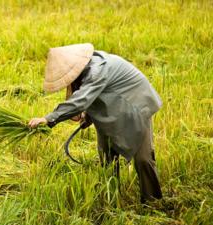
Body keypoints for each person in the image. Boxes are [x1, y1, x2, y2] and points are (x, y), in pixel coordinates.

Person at [28, 43, 163, 203]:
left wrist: (48, 118)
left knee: (143, 158)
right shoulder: (86, 71)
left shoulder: (97, 69)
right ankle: (111, 196)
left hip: (136, 105)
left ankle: (152, 201)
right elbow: (96, 95)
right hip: (112, 107)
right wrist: (89, 116)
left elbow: (81, 100)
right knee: (106, 155)